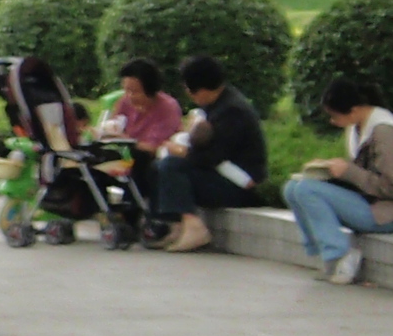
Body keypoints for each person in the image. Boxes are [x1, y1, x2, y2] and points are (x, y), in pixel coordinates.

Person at [286, 74, 393, 284]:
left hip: (386, 213)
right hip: (365, 202)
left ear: (354, 110)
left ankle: (340, 256)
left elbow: (390, 187)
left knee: (305, 190)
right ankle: (324, 253)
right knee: (292, 188)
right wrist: (327, 171)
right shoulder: (357, 127)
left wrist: (348, 171)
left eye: (335, 116)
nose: (332, 121)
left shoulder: (386, 133)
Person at [147, 55, 271, 251]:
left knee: (171, 165)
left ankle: (193, 226)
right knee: (158, 166)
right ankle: (175, 226)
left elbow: (211, 157)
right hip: (219, 175)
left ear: (200, 89)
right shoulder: (217, 105)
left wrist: (181, 151)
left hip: (238, 186)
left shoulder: (232, 111)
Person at [97, 57, 188, 213]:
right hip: (129, 156)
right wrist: (107, 131)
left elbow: (154, 148)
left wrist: (123, 139)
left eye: (135, 91)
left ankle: (131, 212)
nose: (129, 96)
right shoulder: (125, 102)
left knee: (142, 159)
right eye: (126, 90)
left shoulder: (167, 108)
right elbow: (113, 124)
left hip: (155, 159)